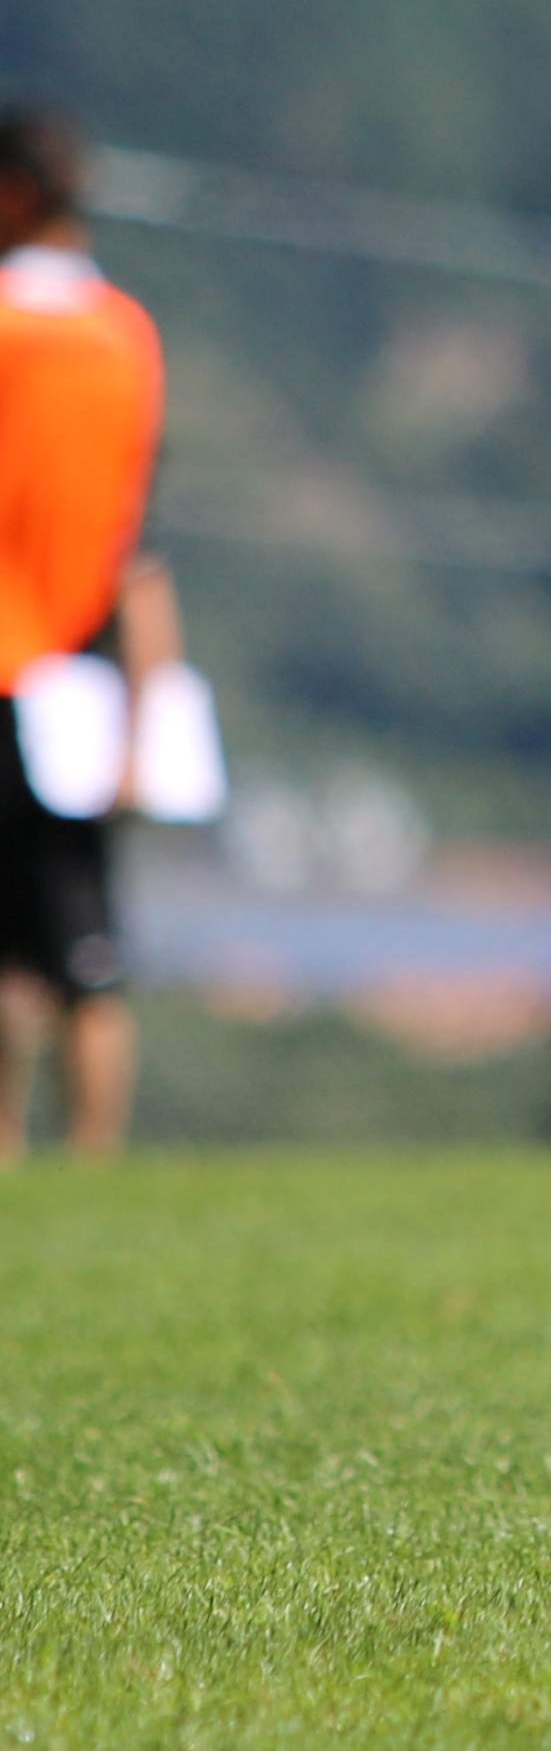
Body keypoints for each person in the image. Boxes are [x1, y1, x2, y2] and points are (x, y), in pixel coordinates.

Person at [0, 102, 176, 1162]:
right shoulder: (125, 336)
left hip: (15, 666)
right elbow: (137, 549)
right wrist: (144, 720)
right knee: (85, 960)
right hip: (81, 680)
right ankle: (96, 1167)